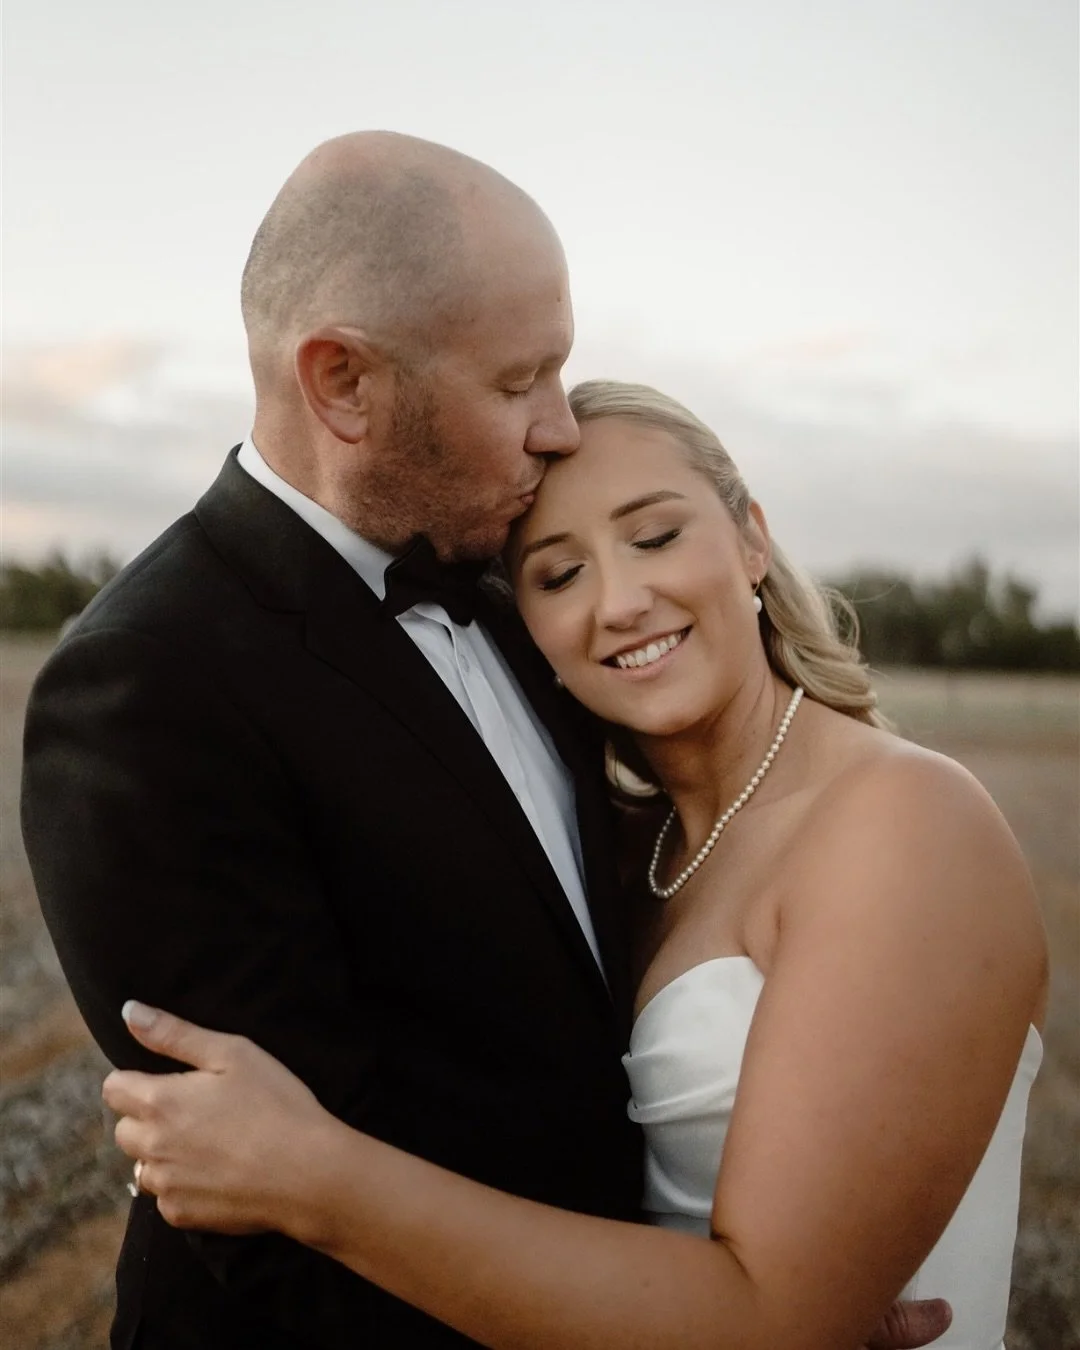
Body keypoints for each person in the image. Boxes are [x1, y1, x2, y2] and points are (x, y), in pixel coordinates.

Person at [22, 130, 950, 1350]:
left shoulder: (523, 594)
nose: (561, 429)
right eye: (520, 384)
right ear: (343, 381)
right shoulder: (148, 686)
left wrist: (781, 1284)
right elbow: (281, 1233)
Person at [103, 381, 1046, 1350]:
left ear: (752, 540)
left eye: (655, 536)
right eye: (559, 576)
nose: (623, 602)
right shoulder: (633, 852)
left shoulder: (902, 820)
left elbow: (772, 1323)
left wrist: (314, 1181)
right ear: (530, 632)